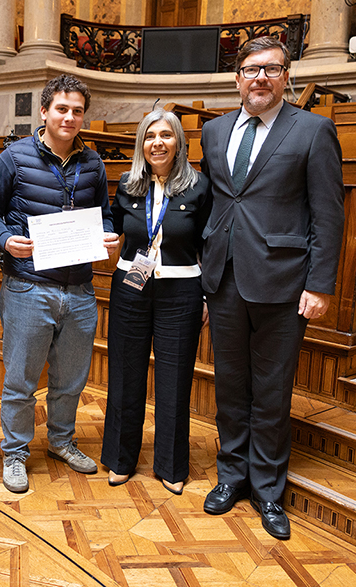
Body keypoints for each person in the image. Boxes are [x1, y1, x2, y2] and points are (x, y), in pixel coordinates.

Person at [198, 36, 344, 539]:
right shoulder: (213, 132)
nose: (261, 77)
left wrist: (321, 283)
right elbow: (219, 202)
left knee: (273, 390)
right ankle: (230, 476)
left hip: (284, 282)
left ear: (286, 77)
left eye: (272, 69)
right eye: (251, 69)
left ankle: (266, 490)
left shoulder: (313, 130)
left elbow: (328, 213)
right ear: (236, 77)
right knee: (230, 386)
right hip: (223, 280)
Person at [0, 74, 120, 494]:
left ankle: (61, 441)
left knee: (71, 378)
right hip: (28, 286)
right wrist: (5, 239)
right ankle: (16, 453)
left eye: (77, 111)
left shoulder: (93, 163)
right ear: (44, 111)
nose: (70, 117)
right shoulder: (13, 157)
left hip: (79, 289)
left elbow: (104, 216)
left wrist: (107, 237)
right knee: (21, 379)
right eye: (62, 108)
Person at [100, 108, 211, 494]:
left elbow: (208, 246)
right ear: (141, 143)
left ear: (178, 141)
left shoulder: (199, 186)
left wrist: (208, 297)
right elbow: (112, 228)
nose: (157, 143)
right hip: (132, 286)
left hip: (182, 291)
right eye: (150, 136)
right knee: (125, 375)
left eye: (166, 135)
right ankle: (120, 458)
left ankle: (171, 465)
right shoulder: (128, 186)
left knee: (174, 379)